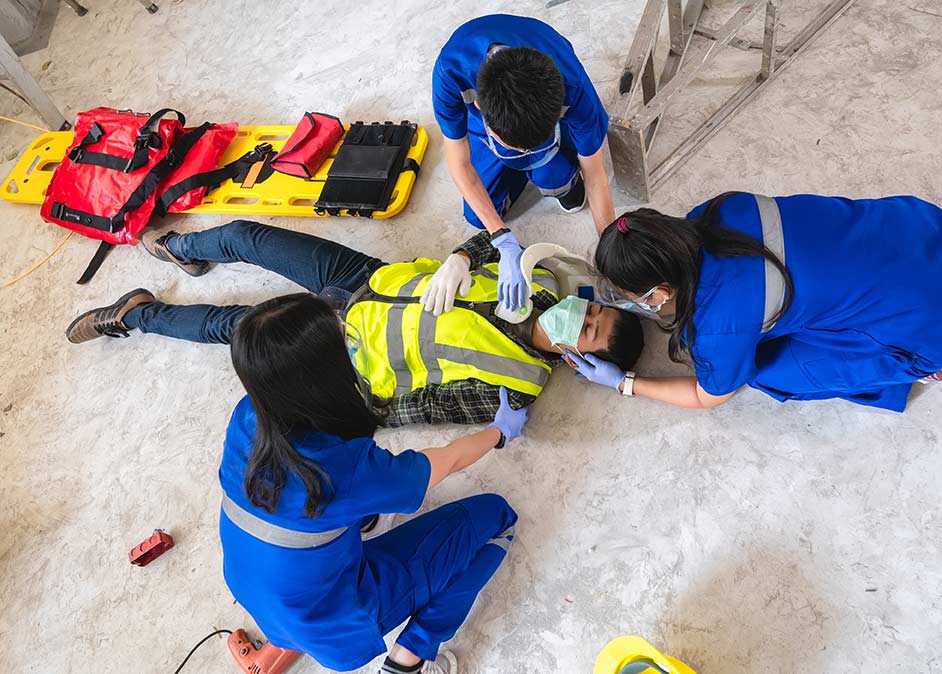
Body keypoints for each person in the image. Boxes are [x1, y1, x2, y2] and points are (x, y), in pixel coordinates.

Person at [65, 221, 643, 426]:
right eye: (594, 308)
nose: (582, 313)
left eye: (588, 328)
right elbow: (493, 240)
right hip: (368, 278)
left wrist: (334, 388)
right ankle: (180, 248)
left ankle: (136, 315)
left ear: (578, 359)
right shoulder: (539, 283)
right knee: (249, 237)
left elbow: (408, 411)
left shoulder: (516, 384)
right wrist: (464, 258)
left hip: (345, 346)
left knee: (232, 327)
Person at [219, 292, 528, 674]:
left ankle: (292, 635)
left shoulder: (246, 417)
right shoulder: (342, 471)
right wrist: (498, 432)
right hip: (338, 625)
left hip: (261, 593)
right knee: (497, 518)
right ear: (322, 375)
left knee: (347, 521)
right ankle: (408, 660)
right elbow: (444, 463)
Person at [567, 192, 942, 412]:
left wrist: (624, 384)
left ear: (658, 294)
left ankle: (930, 361)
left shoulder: (718, 326)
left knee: (768, 369)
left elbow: (708, 397)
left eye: (634, 297)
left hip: (931, 328)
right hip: (927, 238)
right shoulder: (717, 209)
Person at [431, 14, 615, 314]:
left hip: (538, 125)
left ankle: (553, 166)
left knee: (555, 177)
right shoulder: (451, 72)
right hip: (490, 129)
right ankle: (520, 161)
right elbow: (459, 162)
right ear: (478, 106)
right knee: (479, 217)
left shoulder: (574, 87)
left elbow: (595, 175)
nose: (522, 152)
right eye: (514, 146)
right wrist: (502, 240)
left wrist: (611, 256)